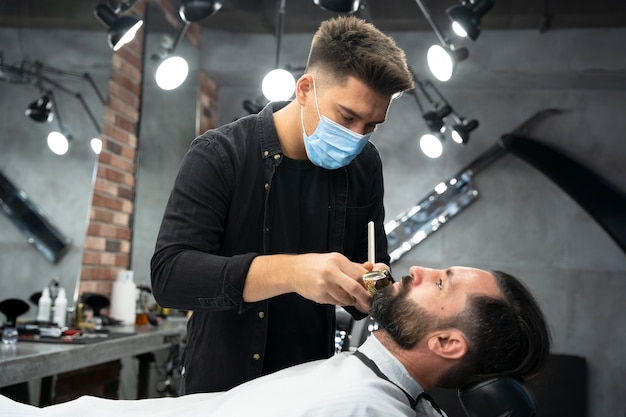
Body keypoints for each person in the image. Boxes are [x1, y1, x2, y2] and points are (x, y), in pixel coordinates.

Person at [150, 15, 415, 394]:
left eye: (371, 126)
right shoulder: (220, 154)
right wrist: (294, 272)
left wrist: (379, 287)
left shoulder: (365, 166)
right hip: (221, 390)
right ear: (305, 89)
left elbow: (369, 277)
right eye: (347, 117)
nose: (356, 138)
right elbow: (170, 277)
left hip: (310, 387)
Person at [0, 265, 551, 417]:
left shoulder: (364, 405)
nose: (420, 269)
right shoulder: (373, 380)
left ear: (449, 344)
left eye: (441, 283)